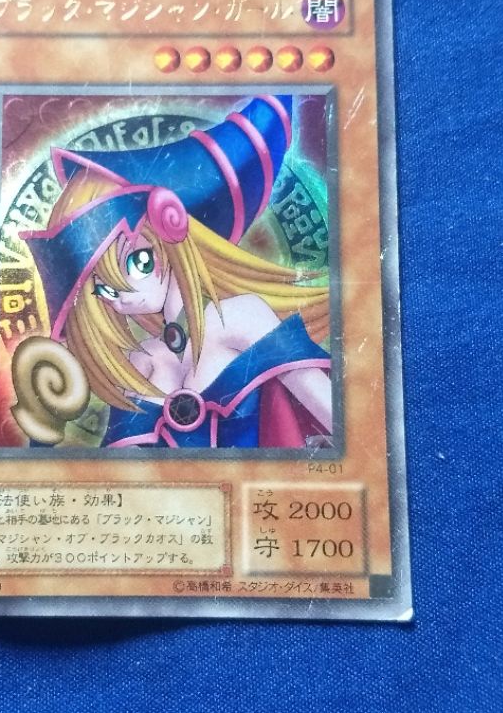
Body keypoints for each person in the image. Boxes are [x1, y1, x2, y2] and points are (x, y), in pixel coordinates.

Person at [19, 95, 332, 448]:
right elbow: (121, 473)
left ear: (169, 234)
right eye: (104, 289)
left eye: (137, 263)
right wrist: (43, 425)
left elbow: (335, 419)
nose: (122, 298)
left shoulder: (242, 317)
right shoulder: (140, 361)